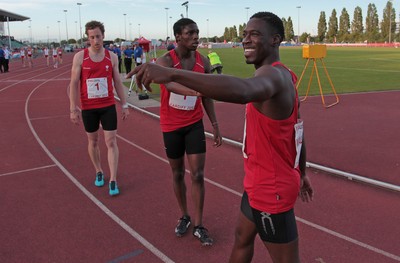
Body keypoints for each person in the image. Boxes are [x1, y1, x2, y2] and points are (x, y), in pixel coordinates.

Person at [129, 12, 314, 262]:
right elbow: (297, 130)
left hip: (271, 190)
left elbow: (244, 90)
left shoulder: (273, 76)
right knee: (241, 240)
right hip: (257, 184)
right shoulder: (286, 76)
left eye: (255, 34)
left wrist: (173, 74)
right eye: (245, 35)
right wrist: (301, 171)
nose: (246, 40)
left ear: (275, 40)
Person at [128, 18, 222, 246]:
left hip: (194, 124)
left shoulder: (204, 62)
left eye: (197, 33)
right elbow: (168, 84)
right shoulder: (166, 60)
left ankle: (199, 225)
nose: (196, 37)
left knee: (198, 175)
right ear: (178, 37)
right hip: (171, 126)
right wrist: (195, 92)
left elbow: (207, 95)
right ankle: (185, 216)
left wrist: (215, 125)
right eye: (190, 33)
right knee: (178, 173)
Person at [69, 20, 130, 196]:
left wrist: (124, 104)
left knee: (111, 142)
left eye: (98, 36)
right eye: (92, 37)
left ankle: (113, 179)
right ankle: (98, 170)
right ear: (88, 38)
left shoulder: (111, 57)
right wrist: (73, 108)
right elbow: (73, 83)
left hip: (108, 105)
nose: (95, 40)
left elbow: (117, 81)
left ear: (103, 36)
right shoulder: (80, 57)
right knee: (93, 141)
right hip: (88, 108)